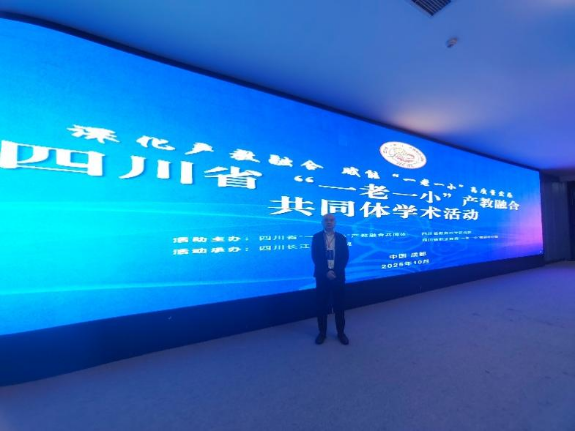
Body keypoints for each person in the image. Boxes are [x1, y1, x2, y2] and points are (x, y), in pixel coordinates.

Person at [311, 213, 350, 345]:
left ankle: (341, 333)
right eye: (326, 220)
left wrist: (335, 271)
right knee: (321, 306)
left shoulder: (341, 238)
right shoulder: (316, 237)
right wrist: (326, 272)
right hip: (322, 277)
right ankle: (322, 333)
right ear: (322, 222)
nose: (329, 222)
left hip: (338, 277)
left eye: (331, 220)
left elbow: (345, 257)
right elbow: (315, 257)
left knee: (339, 306)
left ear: (335, 222)